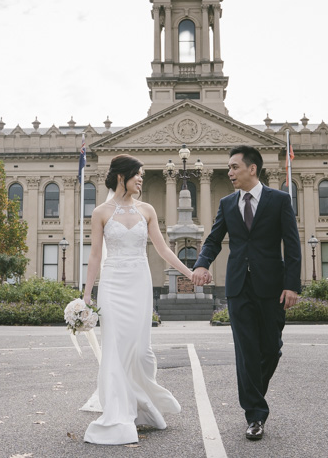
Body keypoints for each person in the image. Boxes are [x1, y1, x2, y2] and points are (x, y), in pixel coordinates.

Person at [81, 154, 195, 445]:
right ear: (122, 177)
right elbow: (94, 256)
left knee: (141, 350)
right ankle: (119, 412)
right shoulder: (101, 213)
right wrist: (86, 296)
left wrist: (189, 273)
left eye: (143, 175)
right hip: (113, 283)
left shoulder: (147, 210)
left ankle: (142, 404)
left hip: (139, 283)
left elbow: (163, 249)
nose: (141, 179)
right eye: (137, 174)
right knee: (115, 349)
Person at [191, 145, 301, 441]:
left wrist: (292, 285)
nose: (229, 172)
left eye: (234, 167)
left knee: (271, 348)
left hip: (272, 287)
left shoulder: (279, 200)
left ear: (252, 169)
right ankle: (254, 415)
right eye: (229, 168)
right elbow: (214, 240)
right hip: (238, 286)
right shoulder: (227, 203)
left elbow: (292, 246)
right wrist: (201, 264)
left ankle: (253, 392)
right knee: (246, 350)